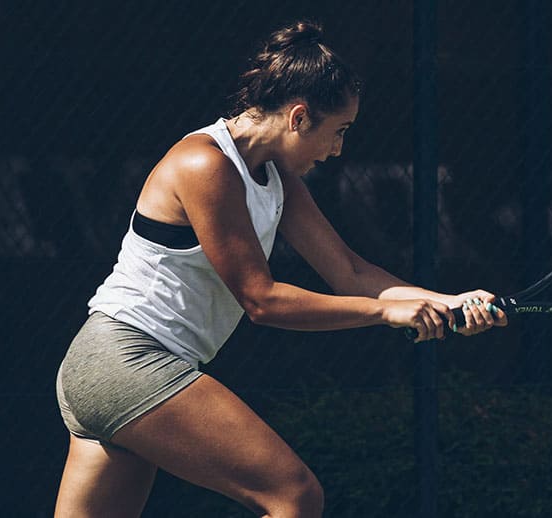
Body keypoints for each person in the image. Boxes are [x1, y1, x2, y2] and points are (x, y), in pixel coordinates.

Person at [54, 20, 506, 517]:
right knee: (294, 495)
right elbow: (261, 299)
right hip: (126, 360)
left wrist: (446, 301)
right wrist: (386, 315)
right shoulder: (203, 165)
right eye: (338, 132)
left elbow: (351, 273)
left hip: (108, 370)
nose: (337, 150)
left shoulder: (278, 181)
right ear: (297, 117)